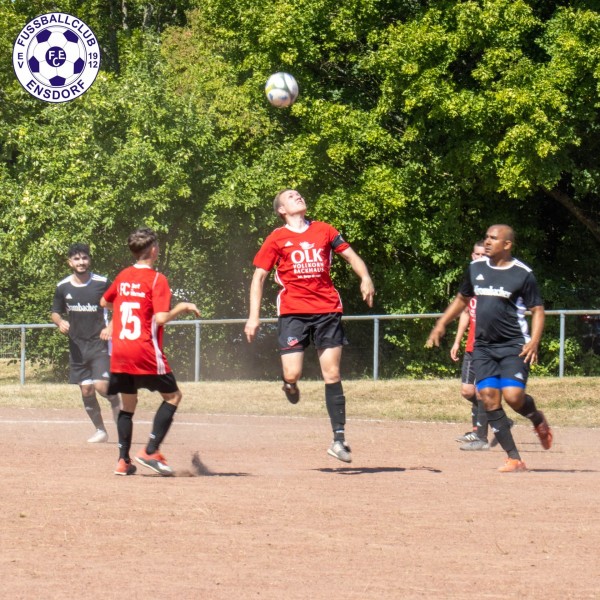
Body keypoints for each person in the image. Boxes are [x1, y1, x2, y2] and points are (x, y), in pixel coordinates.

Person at [244, 189, 375, 463]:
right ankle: (289, 386)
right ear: (282, 209)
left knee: (333, 373)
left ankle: (339, 440)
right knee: (293, 373)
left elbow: (352, 256)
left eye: (300, 194)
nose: (299, 197)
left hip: (327, 309)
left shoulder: (325, 230)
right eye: (291, 197)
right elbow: (258, 278)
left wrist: (365, 277)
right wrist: (253, 317)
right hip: (293, 313)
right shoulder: (277, 238)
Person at [427, 224, 552, 472]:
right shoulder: (476, 268)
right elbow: (462, 299)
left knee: (513, 397)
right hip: (483, 347)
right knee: (489, 398)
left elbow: (537, 310)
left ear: (507, 245)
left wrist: (534, 341)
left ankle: (536, 417)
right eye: (486, 237)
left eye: (493, 238)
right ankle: (514, 458)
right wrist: (442, 323)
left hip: (513, 346)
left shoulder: (522, 273)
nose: (487, 241)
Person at [100, 227, 200, 476]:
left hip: (121, 351)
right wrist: (183, 306)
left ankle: (123, 461)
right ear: (153, 250)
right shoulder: (157, 279)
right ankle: (150, 450)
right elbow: (162, 317)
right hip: (144, 350)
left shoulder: (124, 275)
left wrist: (120, 312)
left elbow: (105, 301)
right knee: (173, 397)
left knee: (128, 405)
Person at [51, 242, 120, 443]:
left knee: (101, 387)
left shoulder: (102, 282)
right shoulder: (63, 287)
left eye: (84, 258)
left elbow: (119, 306)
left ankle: (122, 426)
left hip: (99, 344)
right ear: (70, 262)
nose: (81, 262)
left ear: (89, 259)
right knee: (87, 389)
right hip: (77, 348)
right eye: (76, 259)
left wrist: (111, 327)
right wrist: (60, 322)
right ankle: (101, 431)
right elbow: (55, 312)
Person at [450, 241, 491, 451]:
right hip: (470, 345)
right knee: (467, 391)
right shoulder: (471, 282)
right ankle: (493, 416)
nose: (479, 258)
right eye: (476, 255)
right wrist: (457, 340)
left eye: (484, 255)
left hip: (487, 347)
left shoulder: (493, 282)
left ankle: (480, 432)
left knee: (483, 391)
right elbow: (465, 313)